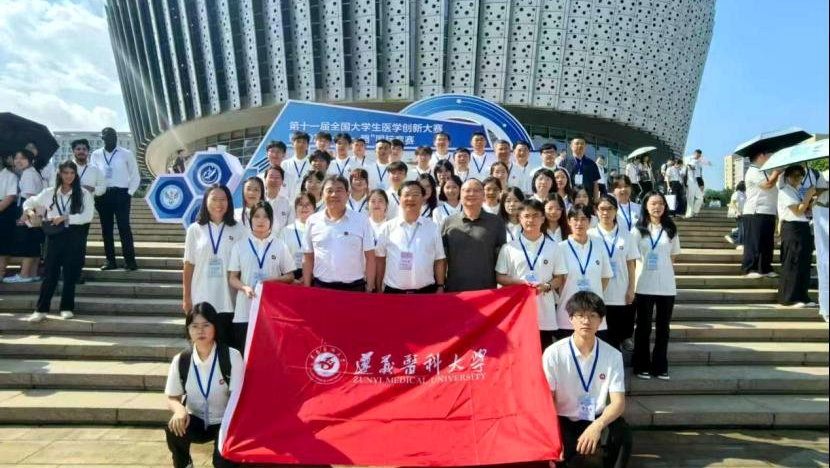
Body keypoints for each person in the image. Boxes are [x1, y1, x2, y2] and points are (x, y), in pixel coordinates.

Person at [542, 292, 632, 468]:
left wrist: (597, 426)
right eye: (580, 315)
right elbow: (547, 400)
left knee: (622, 433)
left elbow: (618, 403)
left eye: (592, 316)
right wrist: (553, 435)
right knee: (558, 455)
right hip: (562, 418)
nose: (586, 321)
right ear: (571, 319)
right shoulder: (553, 353)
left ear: (601, 320)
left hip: (596, 417)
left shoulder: (612, 355)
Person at [164, 303, 242, 468]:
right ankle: (185, 463)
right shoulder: (181, 360)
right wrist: (179, 411)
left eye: (206, 325)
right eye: (195, 326)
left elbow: (237, 398)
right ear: (188, 330)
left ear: (215, 328)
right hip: (195, 420)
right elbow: (172, 397)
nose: (200, 331)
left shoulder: (232, 356)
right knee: (173, 428)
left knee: (222, 463)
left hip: (225, 421)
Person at [22, 161, 94, 322]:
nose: (69, 176)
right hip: (54, 236)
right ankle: (41, 309)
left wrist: (66, 217)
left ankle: (66, 307)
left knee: (70, 274)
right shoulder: (49, 192)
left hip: (75, 236)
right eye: (65, 173)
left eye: (72, 173)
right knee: (50, 274)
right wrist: (31, 213)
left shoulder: (83, 193)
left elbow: (88, 216)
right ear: (60, 174)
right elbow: (29, 202)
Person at [496, 199, 568, 349]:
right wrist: (520, 284)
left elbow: (559, 278)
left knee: (542, 351)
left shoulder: (554, 247)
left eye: (535, 216)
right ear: (519, 218)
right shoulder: (509, 248)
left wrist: (546, 286)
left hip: (544, 312)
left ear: (543, 218)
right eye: (527, 216)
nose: (531, 220)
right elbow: (500, 277)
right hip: (517, 311)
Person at [228, 201, 295, 352]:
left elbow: (290, 276)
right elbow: (232, 278)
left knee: (268, 355)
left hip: (271, 312)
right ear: (250, 219)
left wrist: (271, 281)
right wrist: (245, 288)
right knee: (245, 354)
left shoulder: (280, 245)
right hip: (244, 311)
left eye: (265, 217)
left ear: (271, 220)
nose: (261, 220)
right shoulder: (239, 246)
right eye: (257, 216)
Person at [183, 185, 244, 345]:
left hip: (229, 300)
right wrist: (186, 298)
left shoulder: (239, 229)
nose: (219, 203)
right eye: (214, 199)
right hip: (201, 299)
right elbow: (189, 265)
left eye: (223, 199)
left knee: (226, 349)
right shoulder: (194, 230)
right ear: (206, 201)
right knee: (203, 349)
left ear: (229, 202)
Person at [631, 191, 680, 380]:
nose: (657, 207)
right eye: (653, 203)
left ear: (665, 206)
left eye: (660, 203)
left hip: (666, 286)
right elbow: (631, 259)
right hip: (644, 284)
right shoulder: (638, 230)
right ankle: (641, 365)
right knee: (643, 328)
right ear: (645, 206)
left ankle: (660, 366)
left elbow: (673, 257)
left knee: (663, 328)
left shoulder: (671, 229)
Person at [303, 175, 376, 292]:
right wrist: (307, 288)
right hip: (322, 288)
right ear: (322, 195)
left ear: (347, 194)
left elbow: (370, 257)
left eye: (339, 190)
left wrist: (370, 287)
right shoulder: (312, 221)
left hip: (354, 289)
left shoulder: (361, 220)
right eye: (329, 191)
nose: (334, 195)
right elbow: (308, 258)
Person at [375, 181, 446, 294]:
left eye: (416, 194)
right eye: (407, 195)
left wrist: (440, 286)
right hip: (394, 293)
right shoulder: (387, 228)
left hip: (426, 292)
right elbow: (380, 260)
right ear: (399, 199)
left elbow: (439, 259)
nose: (411, 198)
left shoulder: (433, 228)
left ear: (423, 199)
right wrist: (378, 288)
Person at [588, 195, 639, 350]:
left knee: (616, 338)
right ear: (596, 211)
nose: (606, 213)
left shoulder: (626, 235)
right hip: (598, 293)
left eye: (610, 209)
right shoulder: (590, 235)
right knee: (598, 337)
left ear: (616, 211)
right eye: (602, 209)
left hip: (620, 293)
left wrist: (631, 288)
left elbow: (631, 264)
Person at [556, 204, 612, 339]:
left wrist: (592, 296)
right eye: (575, 219)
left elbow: (605, 277)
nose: (579, 223)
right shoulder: (560, 248)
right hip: (568, 313)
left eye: (583, 219)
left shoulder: (599, 245)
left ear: (590, 221)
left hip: (594, 312)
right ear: (568, 221)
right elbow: (557, 280)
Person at [442, 178, 506, 292]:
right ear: (460, 195)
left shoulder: (496, 222)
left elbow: (502, 258)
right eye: (467, 190)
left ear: (483, 195)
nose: (471, 194)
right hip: (454, 291)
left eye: (476, 190)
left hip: (486, 290)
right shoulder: (448, 222)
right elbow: (442, 258)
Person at [90, 127, 139, 271]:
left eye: (113, 136)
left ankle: (130, 261)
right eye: (108, 137)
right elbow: (93, 174)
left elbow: (134, 174)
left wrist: (129, 193)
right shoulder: (96, 154)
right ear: (103, 139)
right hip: (103, 194)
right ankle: (110, 261)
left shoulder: (126, 153)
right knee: (106, 229)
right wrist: (96, 192)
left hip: (121, 194)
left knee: (124, 227)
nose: (112, 139)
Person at [777, 165, 817, 307]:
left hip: (803, 227)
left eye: (801, 175)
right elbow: (798, 211)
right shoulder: (785, 191)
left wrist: (811, 199)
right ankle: (789, 297)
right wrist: (808, 195)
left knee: (803, 264)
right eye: (795, 176)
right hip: (792, 228)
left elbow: (805, 208)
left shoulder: (798, 190)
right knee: (793, 263)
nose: (798, 178)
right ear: (787, 177)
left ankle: (802, 296)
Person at [741, 150, 782, 279]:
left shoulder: (764, 171)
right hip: (756, 211)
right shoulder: (753, 171)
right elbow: (767, 185)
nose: (770, 157)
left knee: (767, 243)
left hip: (769, 211)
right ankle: (749, 268)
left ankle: (765, 268)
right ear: (761, 155)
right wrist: (776, 172)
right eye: (769, 155)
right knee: (754, 242)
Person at [5, 149, 44, 283]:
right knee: (34, 243)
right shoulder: (32, 172)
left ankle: (24, 275)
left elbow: (30, 197)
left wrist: (24, 216)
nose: (18, 161)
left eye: (22, 158)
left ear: (30, 160)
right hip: (36, 212)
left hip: (30, 212)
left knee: (28, 243)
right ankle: (32, 273)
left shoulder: (28, 174)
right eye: (16, 158)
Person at [71, 139, 106, 283]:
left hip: (85, 211)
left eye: (84, 149)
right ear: (73, 151)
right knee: (66, 243)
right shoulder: (66, 167)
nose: (81, 152)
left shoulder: (94, 170)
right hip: (66, 210)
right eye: (78, 149)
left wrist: (92, 189)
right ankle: (65, 271)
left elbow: (102, 188)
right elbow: (54, 186)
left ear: (88, 152)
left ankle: (77, 272)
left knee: (80, 243)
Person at [281, 193, 317, 280]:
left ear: (314, 208)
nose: (304, 207)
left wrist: (309, 276)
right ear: (295, 208)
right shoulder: (286, 231)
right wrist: (291, 278)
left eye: (308, 204)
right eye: (300, 204)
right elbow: (280, 257)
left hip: (314, 275)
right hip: (290, 276)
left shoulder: (319, 230)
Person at [561, 137, 602, 202]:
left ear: (585, 147)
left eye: (582, 144)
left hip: (587, 199)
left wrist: (596, 201)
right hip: (569, 199)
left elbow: (595, 184)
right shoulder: (564, 162)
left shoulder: (592, 164)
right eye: (577, 143)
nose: (580, 145)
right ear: (571, 146)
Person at [814, 169, 829, 322]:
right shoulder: (823, 176)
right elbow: (815, 195)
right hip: (824, 214)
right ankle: (826, 308)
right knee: (825, 264)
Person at [0, 154, 18, 279]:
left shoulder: (10, 176)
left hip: (5, 211)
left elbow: (11, 196)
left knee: (2, 244)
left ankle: (0, 273)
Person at [263, 165, 293, 234]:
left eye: (277, 178)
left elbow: (290, 227)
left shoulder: (287, 203)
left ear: (282, 181)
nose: (273, 180)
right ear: (265, 179)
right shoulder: (258, 201)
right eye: (271, 177)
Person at [282, 132, 312, 200]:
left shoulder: (312, 164)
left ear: (307, 145)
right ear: (293, 143)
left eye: (304, 142)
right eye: (298, 141)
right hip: (288, 201)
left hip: (307, 200)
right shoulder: (285, 164)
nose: (301, 144)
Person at [726, 181, 746, 247]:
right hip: (737, 213)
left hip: (743, 213)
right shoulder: (736, 193)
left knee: (743, 228)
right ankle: (738, 242)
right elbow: (732, 203)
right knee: (742, 228)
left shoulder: (744, 194)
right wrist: (737, 211)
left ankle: (732, 236)